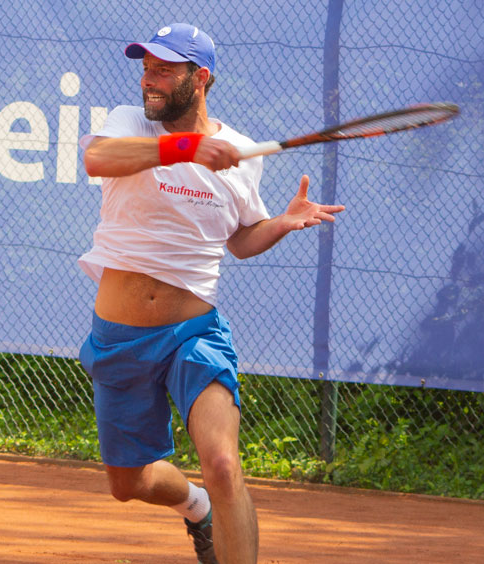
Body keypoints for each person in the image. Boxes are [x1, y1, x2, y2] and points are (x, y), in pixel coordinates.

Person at [76, 22, 344, 564]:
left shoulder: (243, 151)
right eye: (145, 68)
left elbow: (241, 240)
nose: (148, 80)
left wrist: (280, 223)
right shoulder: (129, 123)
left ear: (198, 78)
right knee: (127, 484)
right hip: (120, 337)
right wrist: (189, 148)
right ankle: (196, 508)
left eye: (162, 70)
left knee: (223, 465)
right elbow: (98, 160)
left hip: (194, 335)